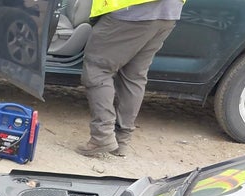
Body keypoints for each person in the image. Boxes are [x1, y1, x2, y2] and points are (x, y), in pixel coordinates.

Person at [76, 0, 185, 157]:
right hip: (168, 11)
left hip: (130, 10)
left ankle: (102, 136)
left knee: (98, 69)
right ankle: (121, 140)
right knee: (134, 76)